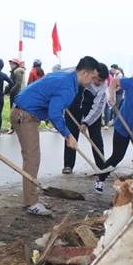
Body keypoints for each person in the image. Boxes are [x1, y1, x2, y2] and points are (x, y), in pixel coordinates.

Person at [12, 57, 101, 215]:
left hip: (24, 111)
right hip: (24, 115)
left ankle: (30, 198)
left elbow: (49, 96)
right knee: (32, 159)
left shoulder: (65, 76)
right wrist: (68, 135)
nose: (93, 82)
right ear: (85, 73)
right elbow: (54, 113)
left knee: (31, 158)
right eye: (93, 77)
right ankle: (31, 203)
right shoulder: (68, 87)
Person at [64, 62, 109, 173]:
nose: (98, 82)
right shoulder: (80, 75)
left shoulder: (102, 88)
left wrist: (86, 122)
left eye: (101, 81)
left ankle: (101, 165)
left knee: (96, 137)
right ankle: (68, 165)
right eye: (97, 79)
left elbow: (97, 108)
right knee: (71, 135)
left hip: (91, 111)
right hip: (73, 108)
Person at [7, 58, 26, 133]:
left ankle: (13, 127)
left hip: (16, 94)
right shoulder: (15, 71)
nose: (10, 65)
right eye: (10, 63)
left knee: (14, 111)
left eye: (12, 63)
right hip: (16, 94)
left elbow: (18, 84)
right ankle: (17, 127)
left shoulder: (17, 71)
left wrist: (10, 91)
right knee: (17, 111)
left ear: (16, 64)